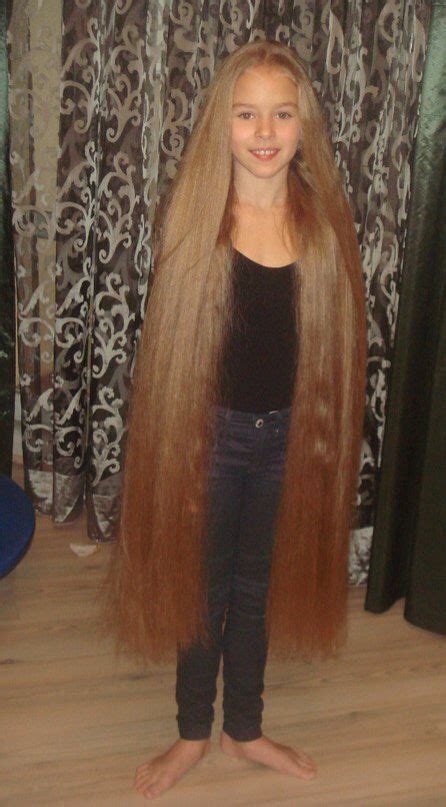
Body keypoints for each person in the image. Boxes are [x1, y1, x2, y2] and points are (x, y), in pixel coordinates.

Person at [105, 40, 366, 800]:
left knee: (254, 587)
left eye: (281, 114)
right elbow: (167, 372)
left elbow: (336, 363)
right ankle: (193, 730)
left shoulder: (322, 226)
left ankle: (242, 727)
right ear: (221, 125)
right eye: (246, 113)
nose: (264, 130)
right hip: (208, 440)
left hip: (288, 441)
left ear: (303, 125)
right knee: (202, 585)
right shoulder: (199, 227)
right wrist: (179, 460)